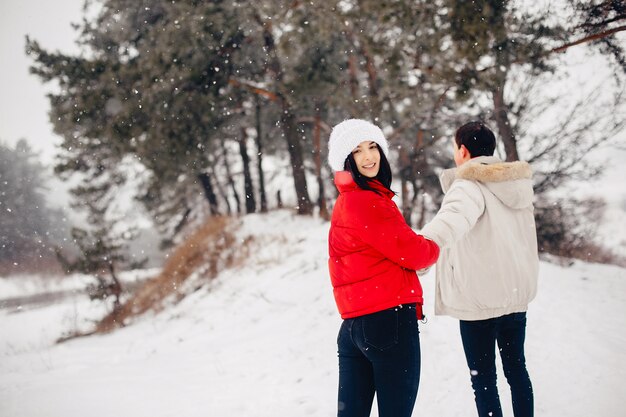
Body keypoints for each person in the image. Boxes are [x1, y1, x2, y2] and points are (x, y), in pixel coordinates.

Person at [420, 121, 538, 417]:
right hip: (514, 297)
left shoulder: (469, 185)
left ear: (462, 150)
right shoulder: (515, 185)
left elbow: (451, 221)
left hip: (480, 301)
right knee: (517, 371)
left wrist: (418, 253)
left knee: (483, 379)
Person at [327, 118, 440, 417]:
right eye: (358, 151)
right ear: (346, 161)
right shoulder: (368, 202)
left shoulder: (345, 202)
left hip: (354, 328)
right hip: (386, 323)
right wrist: (436, 244)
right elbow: (415, 253)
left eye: (373, 146)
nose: (368, 157)